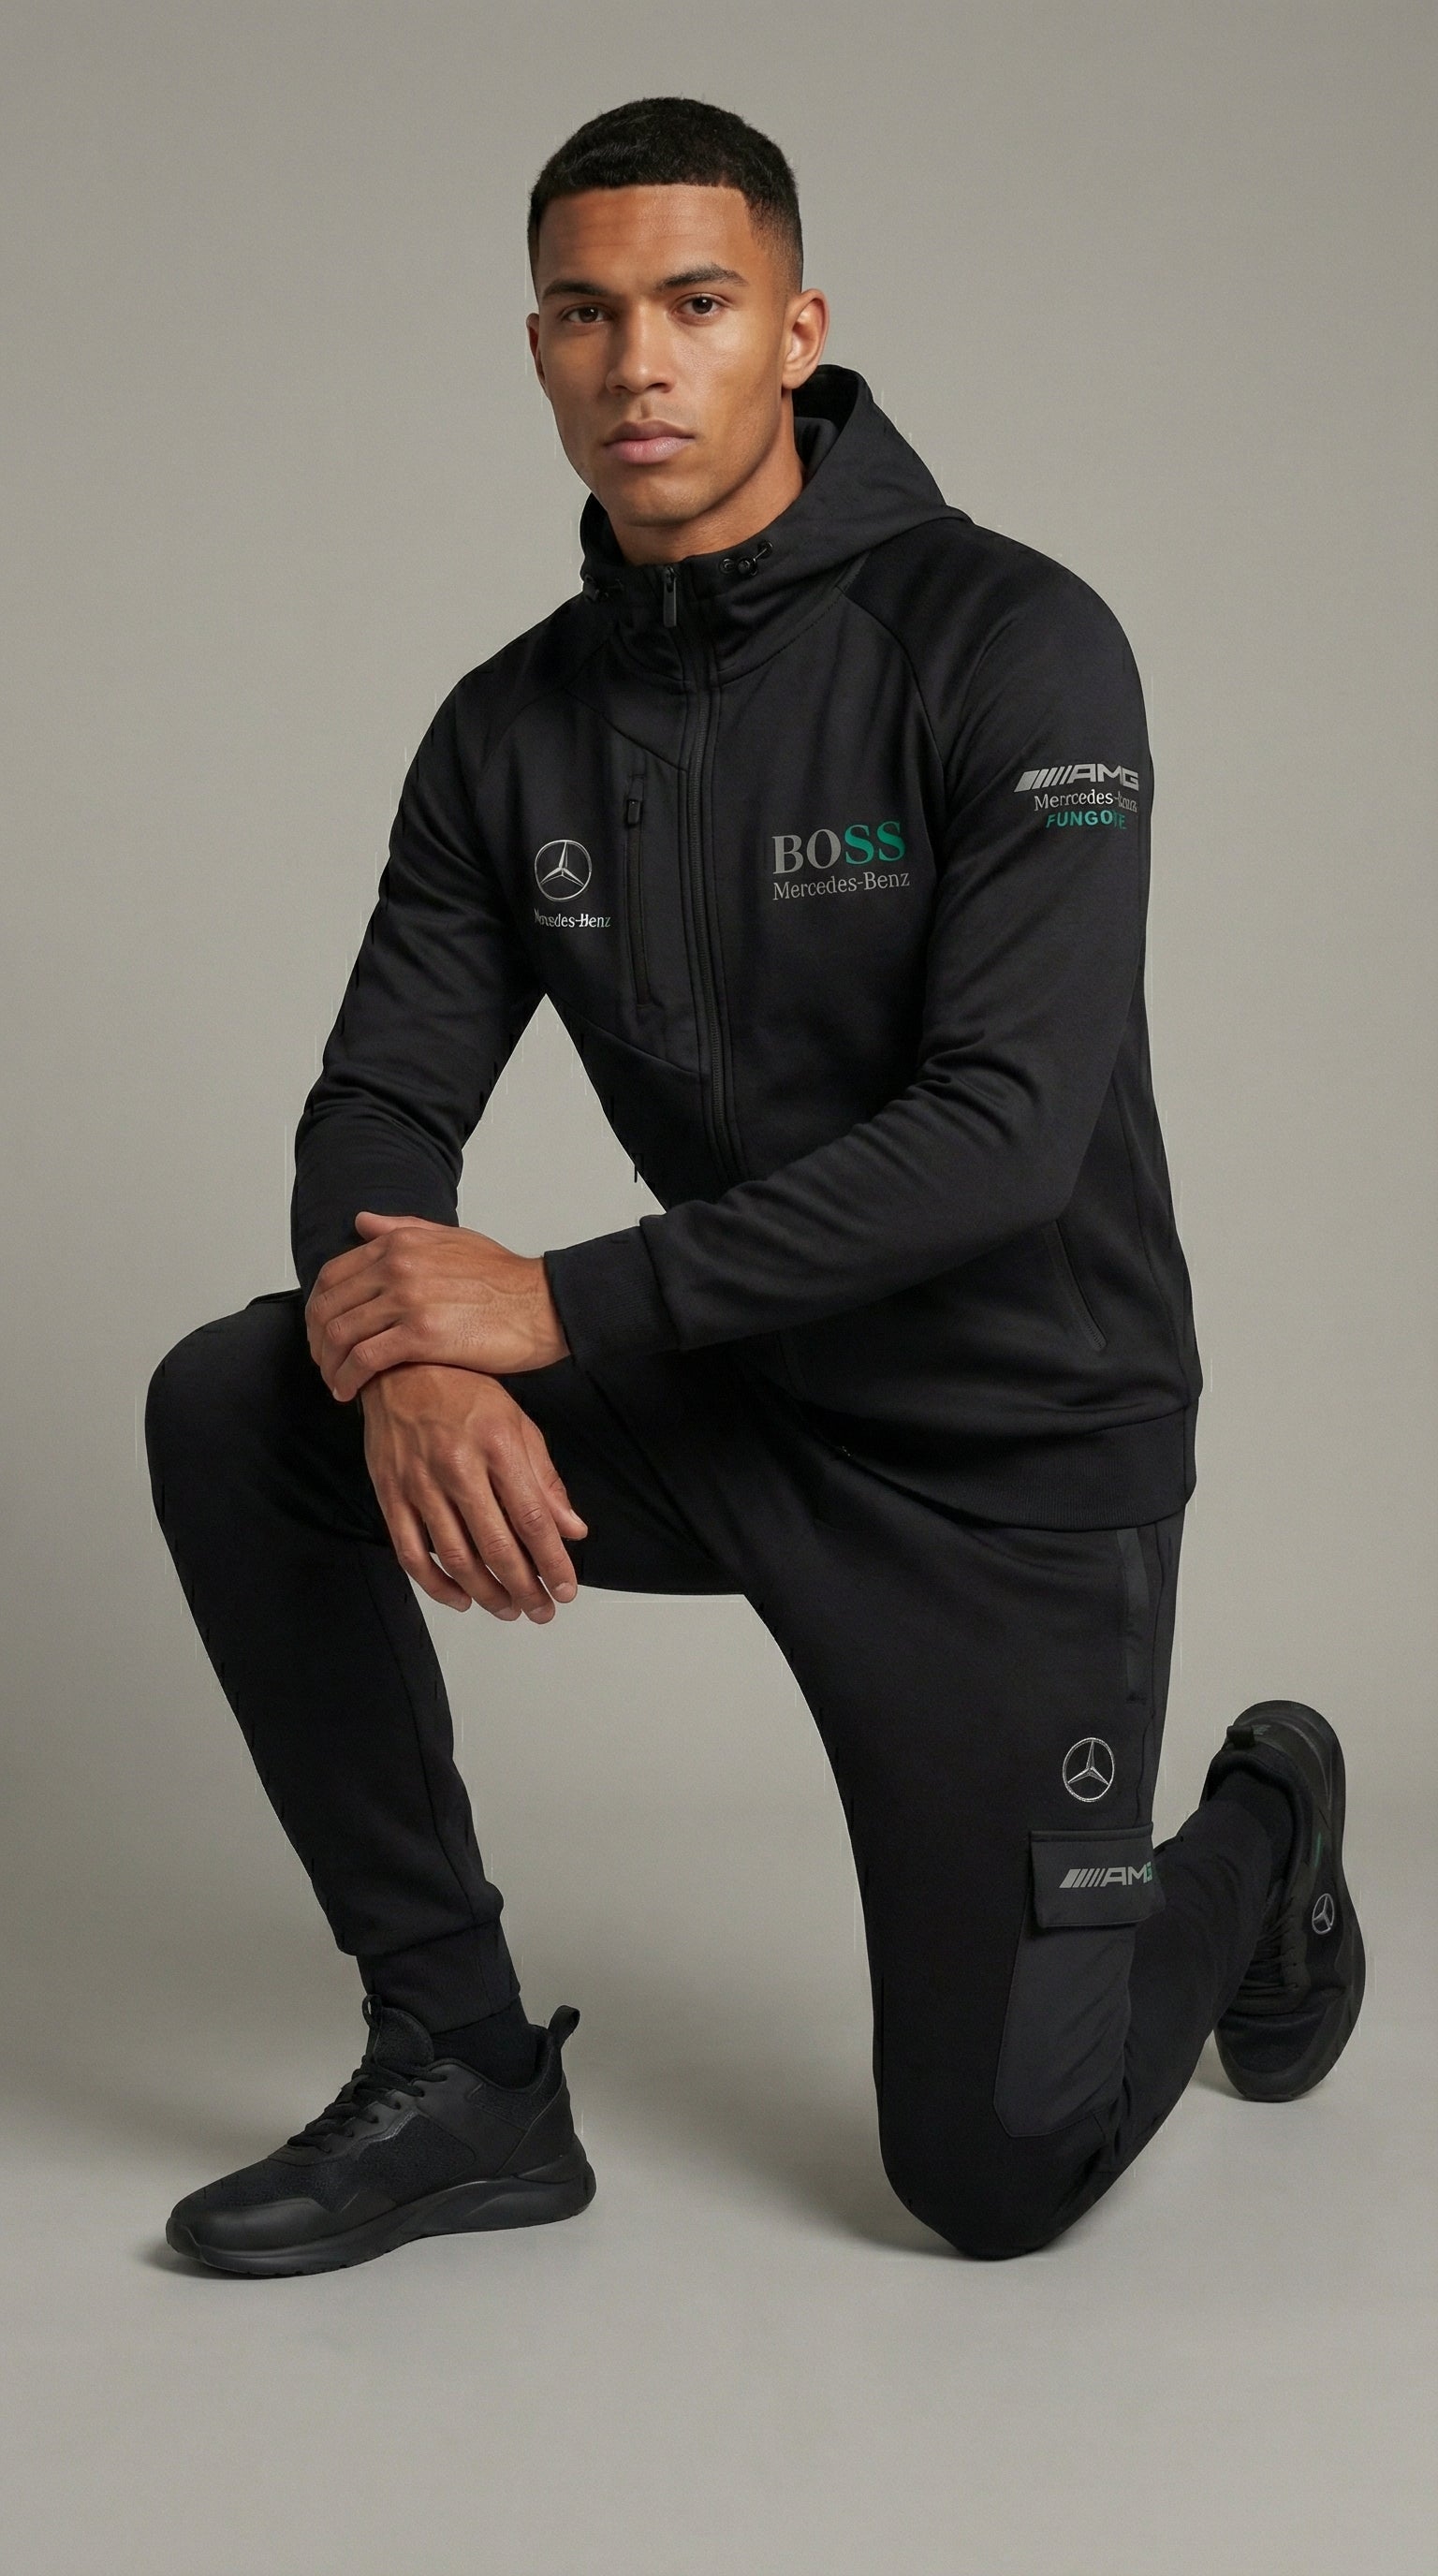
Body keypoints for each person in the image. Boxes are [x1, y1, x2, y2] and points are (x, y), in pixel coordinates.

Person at [145, 96, 1364, 2278]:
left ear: (795, 331)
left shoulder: (1014, 642)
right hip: (735, 1397)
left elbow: (1008, 1130)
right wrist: (407, 1353)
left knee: (996, 2172)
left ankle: (1264, 1824)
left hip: (1011, 1464)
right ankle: (463, 2066)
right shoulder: (506, 731)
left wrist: (551, 1304)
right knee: (242, 1398)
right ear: (536, 346)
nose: (639, 362)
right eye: (584, 313)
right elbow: (375, 1101)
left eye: (696, 303)